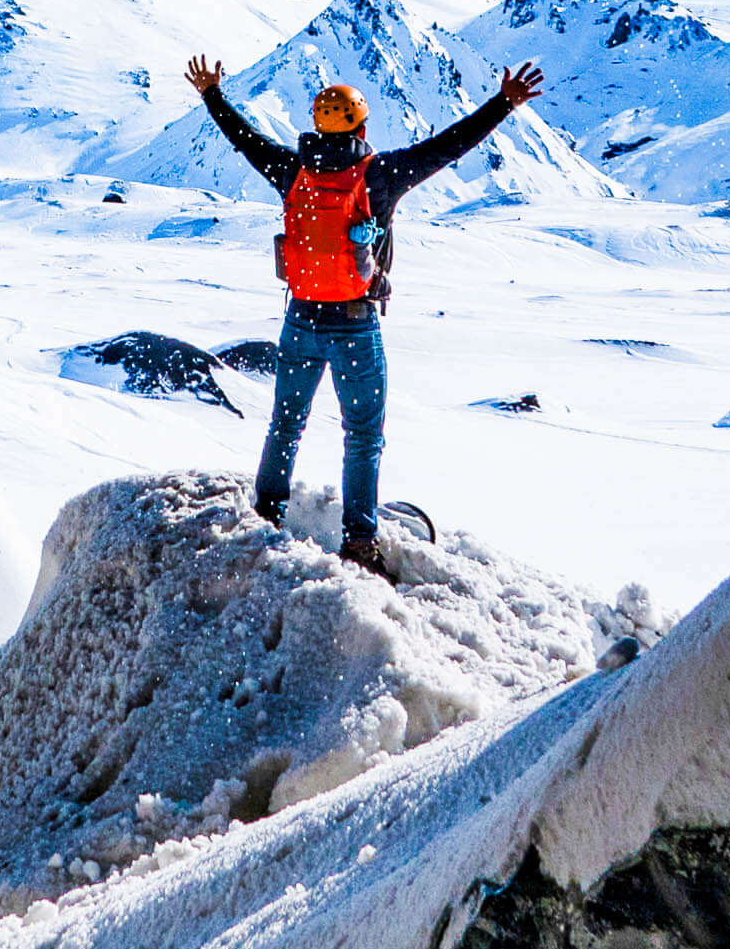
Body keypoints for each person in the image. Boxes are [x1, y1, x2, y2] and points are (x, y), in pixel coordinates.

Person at [180, 52, 547, 576]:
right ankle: (358, 541)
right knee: (363, 436)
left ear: (316, 124)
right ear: (362, 124)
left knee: (286, 424)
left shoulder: (292, 171)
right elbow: (448, 147)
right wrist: (502, 105)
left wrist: (212, 94)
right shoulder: (381, 175)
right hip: (355, 323)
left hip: (301, 320)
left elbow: (246, 141)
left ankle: (267, 513)